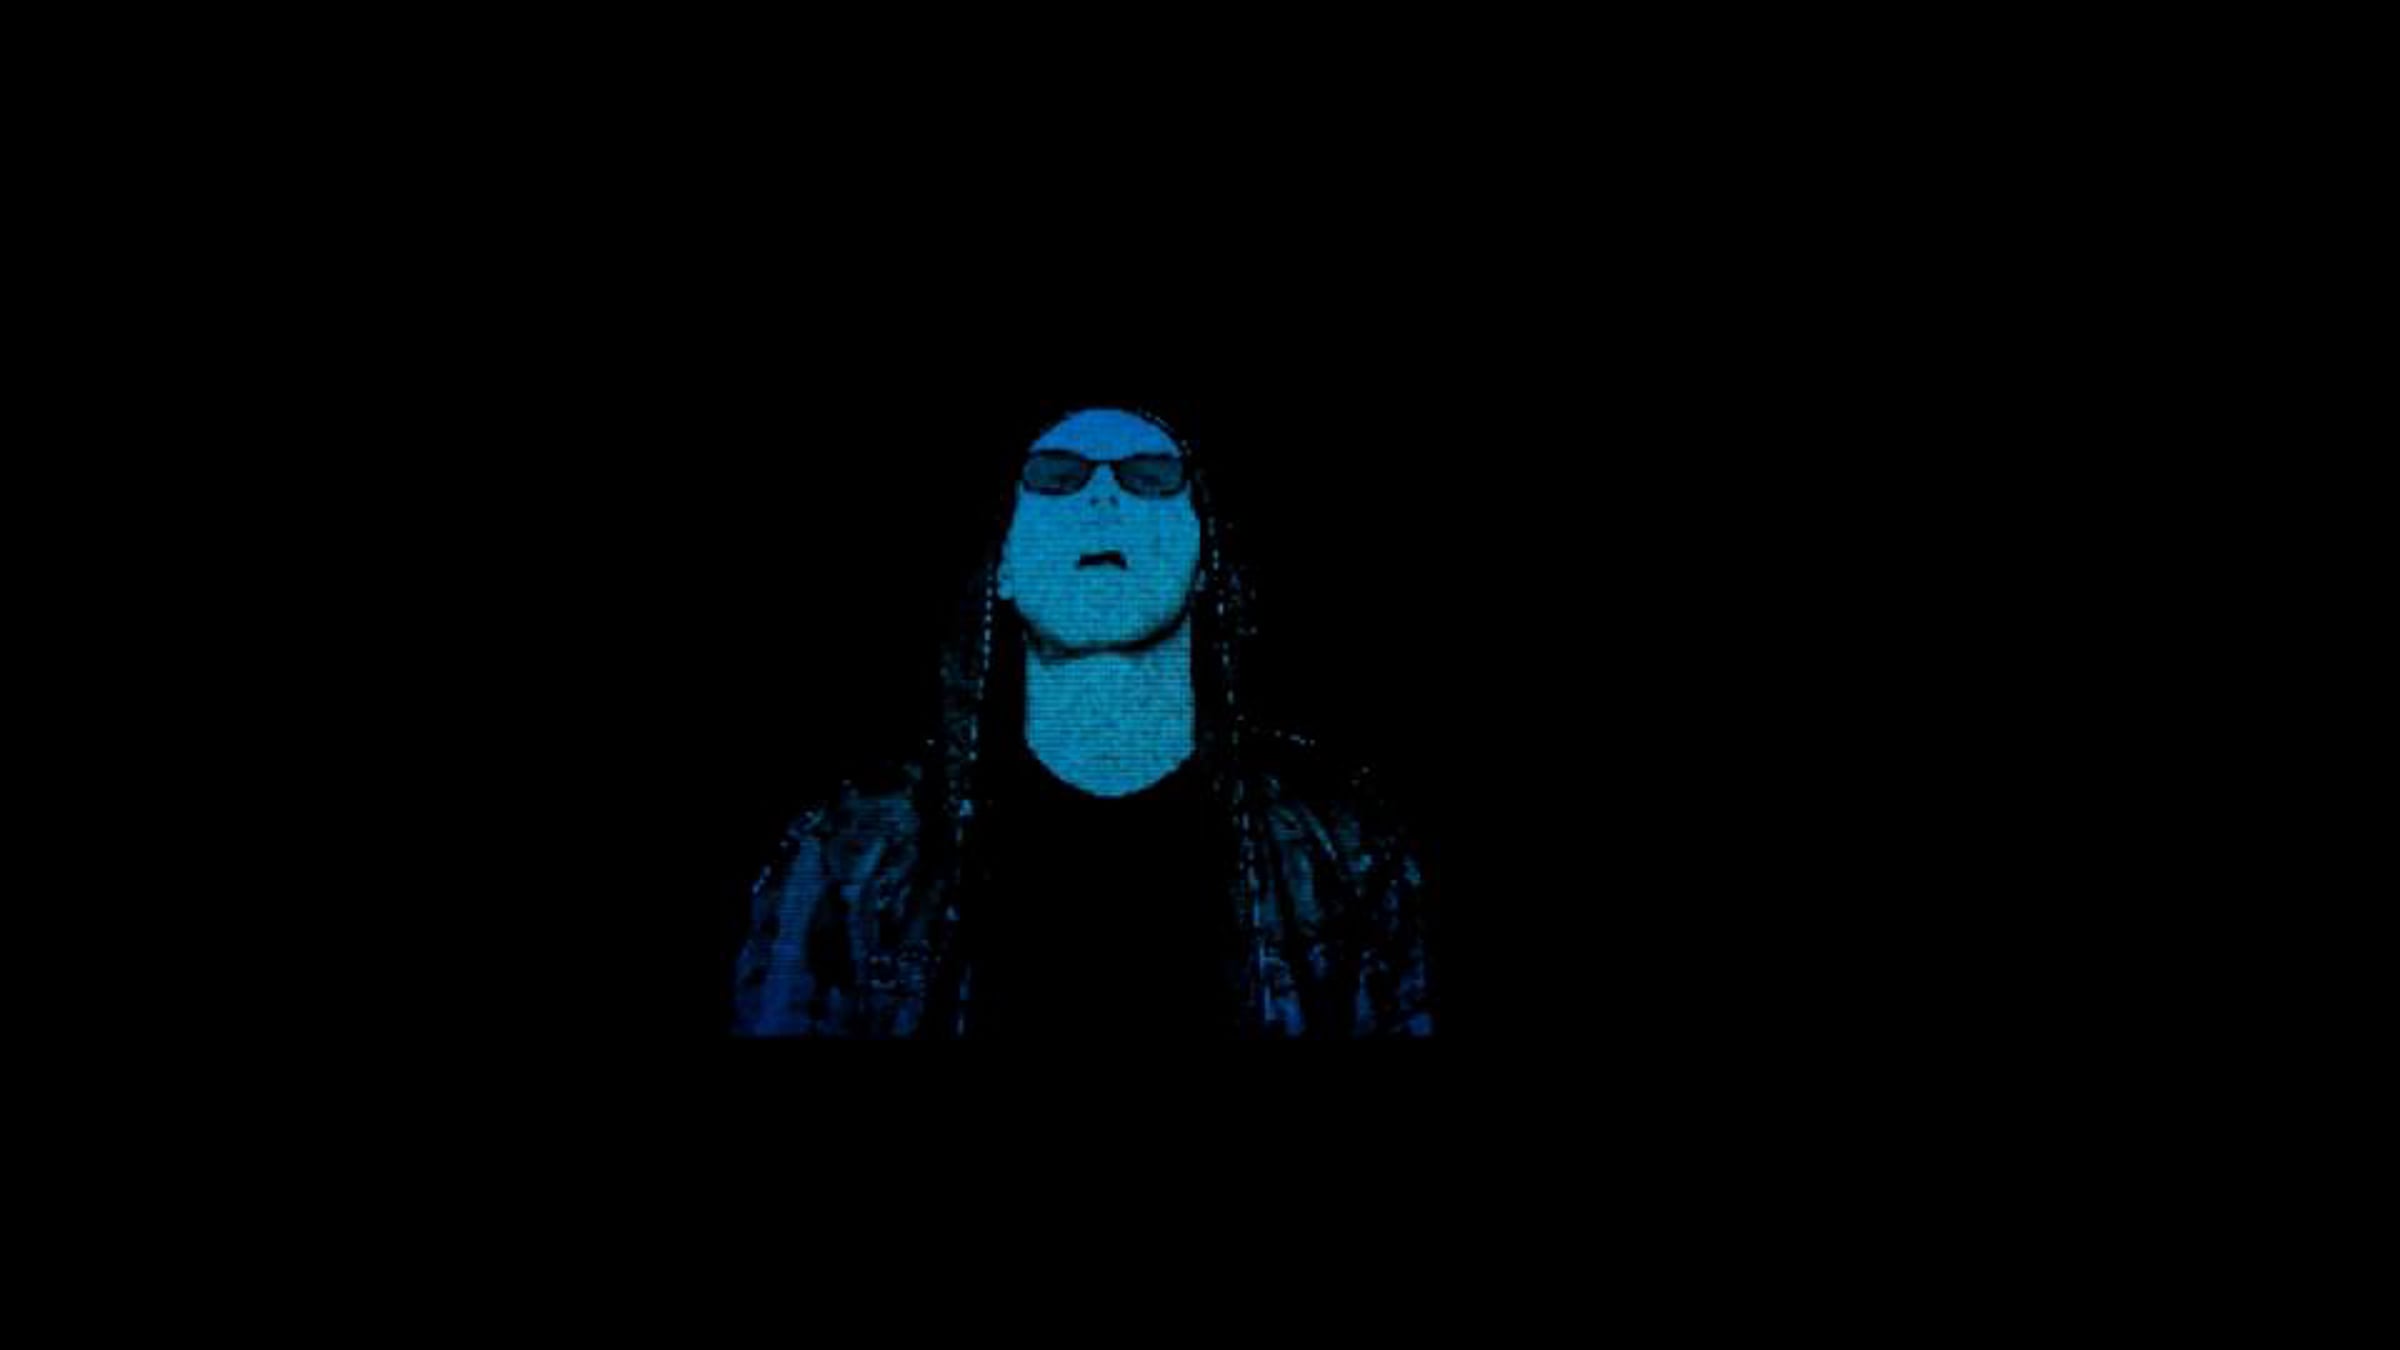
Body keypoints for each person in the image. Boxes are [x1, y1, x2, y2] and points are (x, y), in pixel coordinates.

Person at [731, 407, 1432, 1038]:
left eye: (1149, 476)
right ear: (1003, 564)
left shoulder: (1344, 840)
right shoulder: (850, 846)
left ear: (1205, 561)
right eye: (1056, 476)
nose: (1103, 496)